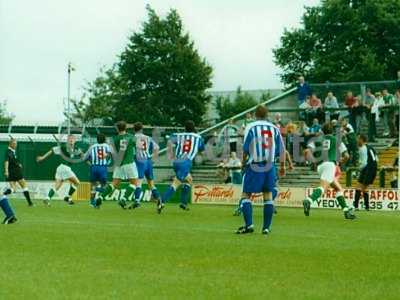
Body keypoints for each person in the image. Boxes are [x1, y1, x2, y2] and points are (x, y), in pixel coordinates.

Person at [235, 105, 286, 235]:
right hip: (270, 166)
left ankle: (249, 225)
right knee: (268, 195)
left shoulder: (251, 127)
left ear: (255, 115)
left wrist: (243, 163)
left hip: (254, 165)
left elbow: (246, 148)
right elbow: (282, 150)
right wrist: (282, 166)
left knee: (246, 195)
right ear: (267, 115)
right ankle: (266, 228)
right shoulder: (274, 128)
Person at [303, 122, 356, 220]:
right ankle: (309, 200)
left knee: (338, 189)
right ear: (332, 131)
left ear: (323, 130)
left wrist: (313, 161)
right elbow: (347, 156)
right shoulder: (337, 140)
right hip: (330, 165)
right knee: (323, 187)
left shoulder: (317, 139)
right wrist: (340, 162)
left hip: (320, 166)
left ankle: (346, 211)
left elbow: (307, 151)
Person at [158, 120, 205, 213]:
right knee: (176, 183)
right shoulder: (198, 137)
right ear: (194, 128)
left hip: (176, 161)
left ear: (185, 128)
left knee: (189, 180)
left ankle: (183, 203)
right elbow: (201, 149)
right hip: (186, 162)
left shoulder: (179, 135)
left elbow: (169, 139)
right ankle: (162, 200)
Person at [95, 121, 139, 209]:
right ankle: (124, 198)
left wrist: (106, 156)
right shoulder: (131, 137)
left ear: (117, 129)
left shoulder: (113, 139)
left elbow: (110, 152)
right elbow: (139, 146)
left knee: (114, 183)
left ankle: (100, 197)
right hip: (129, 162)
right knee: (134, 183)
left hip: (118, 164)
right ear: (125, 128)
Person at [37, 134, 82, 206]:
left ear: (75, 140)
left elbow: (82, 155)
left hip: (61, 169)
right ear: (67, 140)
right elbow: (52, 150)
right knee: (77, 183)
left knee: (57, 186)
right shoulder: (63, 147)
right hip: (64, 168)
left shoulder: (76, 149)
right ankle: (68, 197)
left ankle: (47, 198)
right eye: (70, 139)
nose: (71, 140)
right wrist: (42, 158)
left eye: (73, 139)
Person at [130, 122, 160, 209]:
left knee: (138, 182)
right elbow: (157, 148)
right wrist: (153, 159)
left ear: (134, 129)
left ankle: (137, 201)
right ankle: (159, 199)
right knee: (151, 184)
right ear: (142, 129)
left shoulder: (133, 138)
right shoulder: (148, 138)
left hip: (140, 161)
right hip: (148, 161)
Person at [84, 133, 111, 208]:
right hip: (102, 167)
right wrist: (106, 159)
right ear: (104, 139)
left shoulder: (92, 147)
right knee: (104, 185)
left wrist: (91, 164)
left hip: (94, 167)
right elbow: (109, 154)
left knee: (93, 184)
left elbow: (85, 158)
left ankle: (92, 202)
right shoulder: (106, 146)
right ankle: (98, 193)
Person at [4, 138, 33, 206]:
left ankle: (4, 194)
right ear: (10, 144)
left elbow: (12, 161)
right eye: (14, 144)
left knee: (13, 189)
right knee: (24, 185)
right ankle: (30, 203)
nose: (15, 145)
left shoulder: (12, 151)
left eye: (16, 144)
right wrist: (6, 171)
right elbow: (6, 161)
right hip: (16, 171)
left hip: (11, 172)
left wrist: (18, 164)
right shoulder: (9, 151)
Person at [353, 135, 378, 211]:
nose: (357, 140)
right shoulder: (371, 148)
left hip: (368, 169)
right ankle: (364, 207)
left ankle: (358, 206)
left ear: (361, 140)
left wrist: (357, 171)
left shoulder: (363, 148)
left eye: (358, 139)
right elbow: (377, 159)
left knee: (362, 188)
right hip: (372, 168)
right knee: (361, 187)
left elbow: (364, 163)